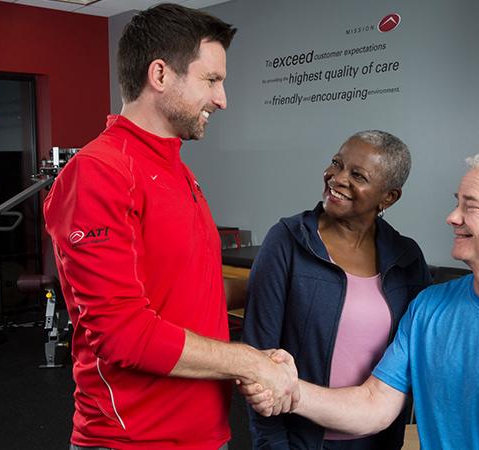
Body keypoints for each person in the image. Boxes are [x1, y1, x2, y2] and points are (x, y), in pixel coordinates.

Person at [43, 4, 297, 449]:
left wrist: (274, 289)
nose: (222, 99)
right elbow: (122, 331)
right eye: (212, 80)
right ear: (159, 75)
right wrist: (249, 363)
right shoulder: (99, 172)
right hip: (133, 439)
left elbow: (182, 290)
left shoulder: (178, 171)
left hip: (203, 431)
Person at [244, 149, 479, 449]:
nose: (452, 216)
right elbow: (373, 405)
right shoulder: (429, 307)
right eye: (457, 202)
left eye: (470, 206)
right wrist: (290, 391)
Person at [242, 131, 431, 450]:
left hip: (378, 442)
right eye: (336, 163)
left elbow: (419, 357)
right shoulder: (287, 241)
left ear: (389, 197)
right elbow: (258, 358)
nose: (337, 178)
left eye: (357, 175)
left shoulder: (407, 258)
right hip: (298, 442)